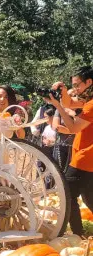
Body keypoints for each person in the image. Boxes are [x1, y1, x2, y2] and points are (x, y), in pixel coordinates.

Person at [46, 66, 93, 237]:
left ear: (89, 82)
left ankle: (77, 234)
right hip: (87, 157)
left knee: (67, 193)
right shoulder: (89, 100)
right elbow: (70, 103)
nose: (75, 89)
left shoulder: (90, 105)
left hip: (85, 157)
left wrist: (57, 105)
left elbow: (72, 128)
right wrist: (64, 92)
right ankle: (79, 235)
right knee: (89, 198)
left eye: (77, 85)